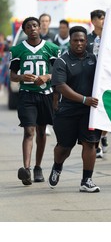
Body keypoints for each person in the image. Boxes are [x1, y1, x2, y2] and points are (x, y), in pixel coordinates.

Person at [48, 26, 101, 192]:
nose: (79, 43)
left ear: (87, 42)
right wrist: (83, 99)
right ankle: (57, 166)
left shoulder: (95, 60)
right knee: (64, 147)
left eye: (82, 40)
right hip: (67, 111)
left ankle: (87, 181)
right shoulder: (61, 61)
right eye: (75, 40)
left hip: (89, 110)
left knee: (90, 143)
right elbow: (61, 86)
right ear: (70, 42)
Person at [9, 17, 60, 185]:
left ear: (40, 28)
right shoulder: (17, 49)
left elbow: (59, 73)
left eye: (35, 25)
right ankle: (27, 169)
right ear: (24, 31)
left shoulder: (51, 48)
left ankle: (38, 166)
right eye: (29, 26)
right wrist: (21, 77)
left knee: (41, 130)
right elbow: (13, 76)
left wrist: (47, 76)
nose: (33, 28)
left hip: (45, 94)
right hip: (26, 95)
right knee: (28, 131)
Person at [86, 9, 108, 158]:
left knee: (106, 111)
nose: (103, 21)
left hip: (107, 80)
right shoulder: (86, 39)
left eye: (105, 18)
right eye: (101, 18)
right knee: (94, 110)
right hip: (90, 81)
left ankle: (103, 135)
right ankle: (96, 144)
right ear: (94, 21)